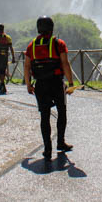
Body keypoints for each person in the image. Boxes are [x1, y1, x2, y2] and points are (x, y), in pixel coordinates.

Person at [24, 16, 74, 162]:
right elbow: (65, 63)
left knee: (44, 116)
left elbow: (27, 66)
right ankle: (60, 142)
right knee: (62, 112)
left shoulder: (31, 46)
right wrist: (70, 83)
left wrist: (28, 84)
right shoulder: (59, 43)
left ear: (38, 29)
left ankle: (47, 149)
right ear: (52, 29)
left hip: (40, 84)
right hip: (56, 83)